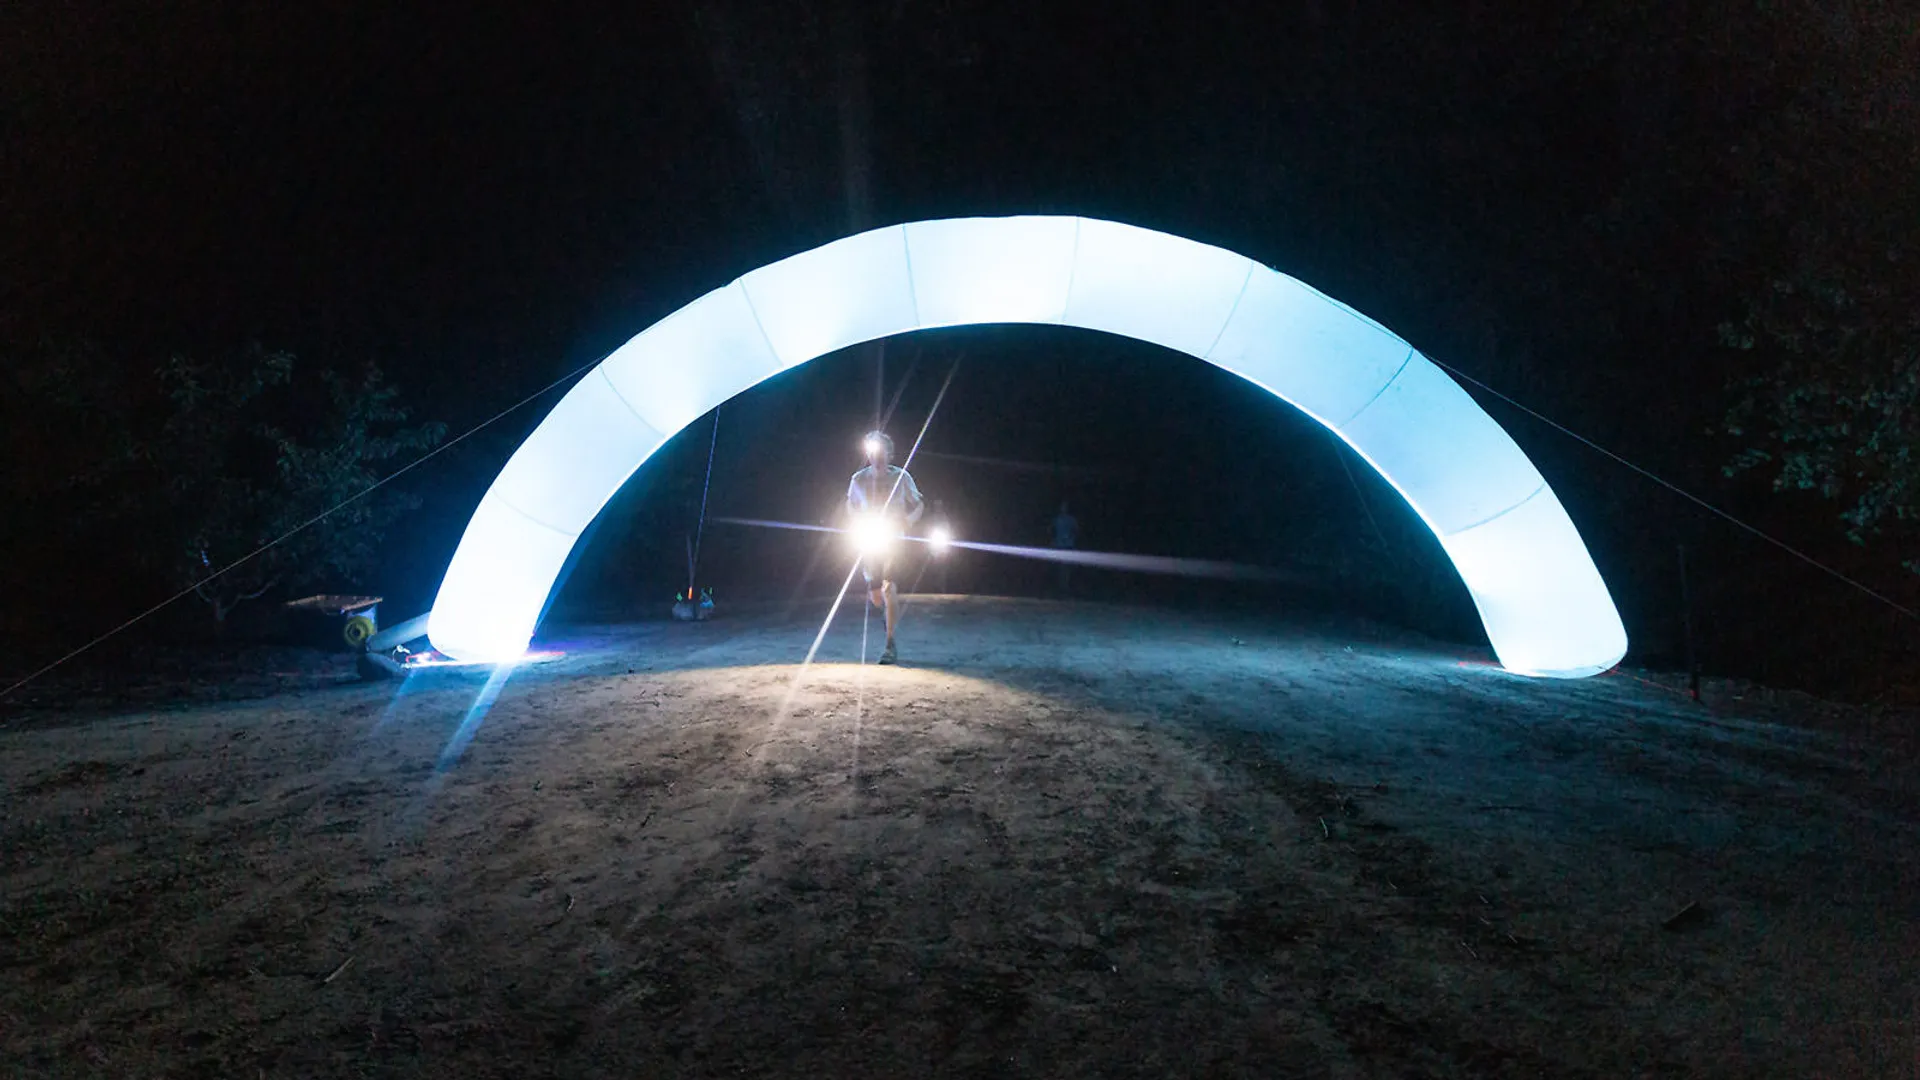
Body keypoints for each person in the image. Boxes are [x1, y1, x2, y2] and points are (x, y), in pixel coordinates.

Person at [846, 430, 924, 664]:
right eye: (872, 451)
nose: (877, 457)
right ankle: (887, 616)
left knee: (890, 588)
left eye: (881, 452)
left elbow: (919, 503)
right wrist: (856, 521)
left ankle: (890, 644)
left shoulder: (901, 477)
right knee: (876, 595)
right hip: (870, 538)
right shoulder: (858, 479)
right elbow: (850, 505)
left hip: (894, 539)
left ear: (890, 454)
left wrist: (908, 521)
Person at [1050, 501, 1079, 596]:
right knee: (1060, 567)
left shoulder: (1071, 519)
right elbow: (1052, 530)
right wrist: (1053, 541)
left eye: (1065, 507)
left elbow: (1076, 530)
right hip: (1059, 546)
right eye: (1062, 507)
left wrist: (1071, 538)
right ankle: (1061, 587)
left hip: (1068, 545)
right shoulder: (1057, 519)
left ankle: (1066, 587)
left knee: (1067, 567)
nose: (1063, 509)